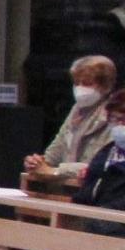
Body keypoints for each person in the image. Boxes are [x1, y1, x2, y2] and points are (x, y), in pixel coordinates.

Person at [24, 56, 116, 190]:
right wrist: (37, 162)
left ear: (105, 86)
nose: (80, 89)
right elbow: (56, 150)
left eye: (87, 83)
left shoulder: (114, 115)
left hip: (94, 192)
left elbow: (99, 165)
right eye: (77, 83)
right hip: (66, 189)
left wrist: (56, 171)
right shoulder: (76, 110)